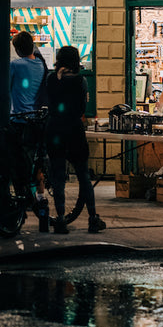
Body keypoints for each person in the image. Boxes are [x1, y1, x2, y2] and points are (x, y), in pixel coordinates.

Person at [44, 45, 104, 234]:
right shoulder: (80, 81)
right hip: (74, 130)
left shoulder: (51, 79)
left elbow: (50, 102)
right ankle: (93, 218)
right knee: (83, 175)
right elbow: (80, 109)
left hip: (54, 130)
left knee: (58, 176)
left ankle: (60, 219)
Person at [10, 30, 46, 121]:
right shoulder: (41, 63)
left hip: (19, 117)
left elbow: (4, 87)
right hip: (37, 117)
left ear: (18, 50)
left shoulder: (15, 65)